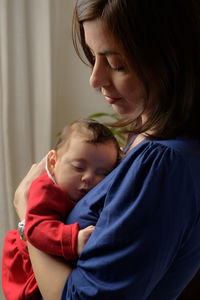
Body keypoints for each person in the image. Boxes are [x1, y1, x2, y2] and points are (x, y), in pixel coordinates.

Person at [5, 0, 200, 299]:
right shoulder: (143, 139)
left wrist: (27, 214)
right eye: (93, 56)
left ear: (168, 57)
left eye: (116, 63)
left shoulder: (164, 164)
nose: (95, 79)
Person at [2, 119, 120, 300]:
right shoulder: (45, 189)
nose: (88, 177)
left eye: (103, 172)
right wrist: (74, 240)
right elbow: (35, 228)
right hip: (26, 272)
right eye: (78, 167)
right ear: (52, 162)